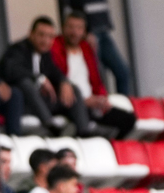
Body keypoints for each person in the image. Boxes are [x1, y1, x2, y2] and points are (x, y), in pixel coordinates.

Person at [0, 15, 91, 136]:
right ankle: (50, 125)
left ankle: (84, 133)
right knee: (25, 83)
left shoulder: (45, 54)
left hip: (41, 102)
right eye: (41, 35)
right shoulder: (17, 49)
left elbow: (55, 72)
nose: (46, 40)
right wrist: (39, 78)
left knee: (73, 89)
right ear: (31, 34)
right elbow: (12, 71)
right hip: (20, 104)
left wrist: (64, 82)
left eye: (50, 37)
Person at [52, 9, 135, 137]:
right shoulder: (55, 47)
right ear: (63, 28)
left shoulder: (86, 48)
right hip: (71, 104)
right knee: (86, 123)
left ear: (85, 31)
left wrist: (102, 99)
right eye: (70, 27)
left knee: (128, 119)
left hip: (93, 104)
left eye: (79, 28)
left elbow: (96, 80)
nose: (74, 32)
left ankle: (110, 149)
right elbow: (56, 78)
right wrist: (84, 101)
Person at [65, 0, 134, 96]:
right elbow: (70, 5)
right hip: (90, 32)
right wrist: (85, 31)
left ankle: (123, 107)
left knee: (123, 71)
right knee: (98, 76)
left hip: (103, 30)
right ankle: (102, 108)